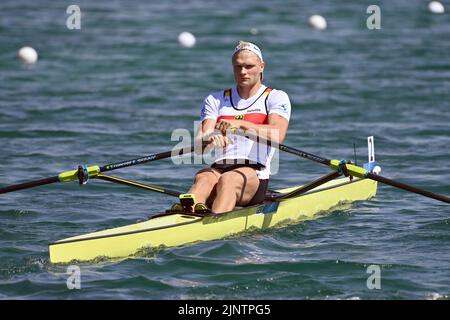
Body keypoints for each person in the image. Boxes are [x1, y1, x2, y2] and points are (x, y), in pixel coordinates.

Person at [176, 41, 291, 214]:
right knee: (203, 177)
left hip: (254, 173)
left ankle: (214, 226)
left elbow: (277, 135)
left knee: (229, 180)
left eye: (249, 66)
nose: (243, 72)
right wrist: (210, 138)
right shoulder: (215, 99)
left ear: (261, 66)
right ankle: (183, 217)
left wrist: (240, 125)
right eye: (238, 67)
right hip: (219, 168)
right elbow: (200, 145)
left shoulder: (275, 97)